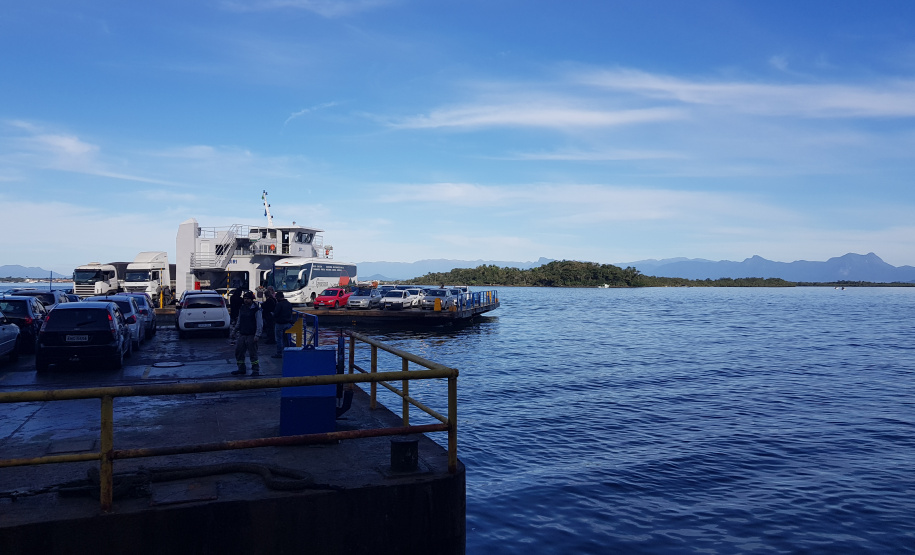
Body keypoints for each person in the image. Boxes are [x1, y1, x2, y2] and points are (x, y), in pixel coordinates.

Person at [231, 291, 263, 376]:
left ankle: (255, 370)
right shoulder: (242, 308)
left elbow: (259, 323)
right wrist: (234, 331)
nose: (246, 300)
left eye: (248, 299)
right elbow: (239, 321)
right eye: (245, 298)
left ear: (252, 299)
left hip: (252, 335)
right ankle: (241, 369)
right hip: (242, 334)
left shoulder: (256, 310)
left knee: (253, 354)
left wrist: (257, 335)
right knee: (239, 352)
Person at [271, 291, 294, 358]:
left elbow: (276, 314)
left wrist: (272, 314)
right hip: (288, 323)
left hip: (280, 323)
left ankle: (279, 353)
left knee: (279, 339)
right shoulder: (289, 304)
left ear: (278, 297)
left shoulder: (279, 304)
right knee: (286, 339)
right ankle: (288, 351)